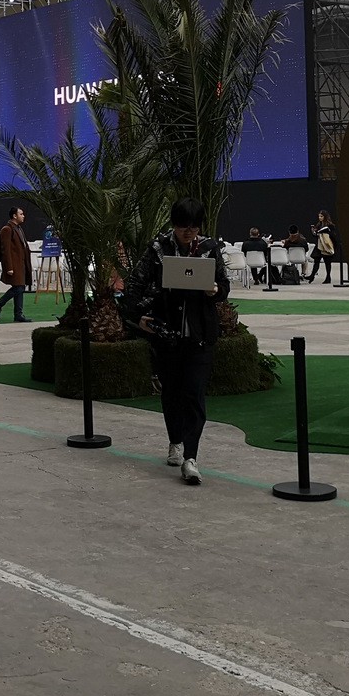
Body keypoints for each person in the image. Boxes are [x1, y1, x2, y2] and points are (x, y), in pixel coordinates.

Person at [122, 197, 230, 486]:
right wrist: (138, 316)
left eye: (194, 227)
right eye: (183, 227)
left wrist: (215, 290)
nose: (189, 232)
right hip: (166, 334)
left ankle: (191, 458)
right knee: (171, 391)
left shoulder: (209, 248)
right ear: (174, 224)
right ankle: (175, 441)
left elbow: (224, 285)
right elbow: (135, 284)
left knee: (195, 393)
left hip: (199, 334)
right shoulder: (158, 248)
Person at [0, 206, 30, 323]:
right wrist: (9, 267)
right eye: (21, 214)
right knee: (18, 288)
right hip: (13, 265)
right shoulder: (7, 229)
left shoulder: (18, 228)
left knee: (20, 287)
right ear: (14, 216)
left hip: (21, 264)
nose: (23, 216)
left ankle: (18, 314)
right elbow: (5, 250)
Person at [306, 211, 339, 284]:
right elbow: (316, 235)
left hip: (326, 245)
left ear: (325, 217)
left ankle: (328, 277)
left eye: (321, 216)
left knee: (327, 262)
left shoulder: (330, 225)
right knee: (316, 261)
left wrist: (325, 233)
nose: (320, 218)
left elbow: (333, 236)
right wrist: (314, 232)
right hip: (319, 245)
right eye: (319, 216)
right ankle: (312, 275)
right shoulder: (319, 224)